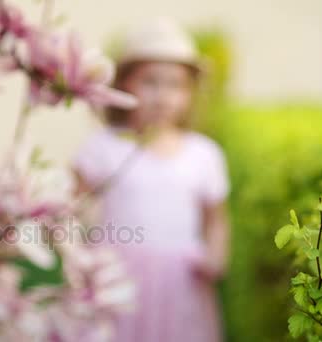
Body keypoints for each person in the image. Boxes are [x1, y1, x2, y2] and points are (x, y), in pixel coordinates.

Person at [73, 18, 230, 342]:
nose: (162, 96)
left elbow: (216, 219)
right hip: (117, 278)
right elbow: (74, 208)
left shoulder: (203, 154)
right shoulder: (104, 147)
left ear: (189, 93)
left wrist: (216, 257)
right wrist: (82, 259)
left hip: (180, 282)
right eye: (150, 82)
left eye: (175, 85)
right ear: (125, 85)